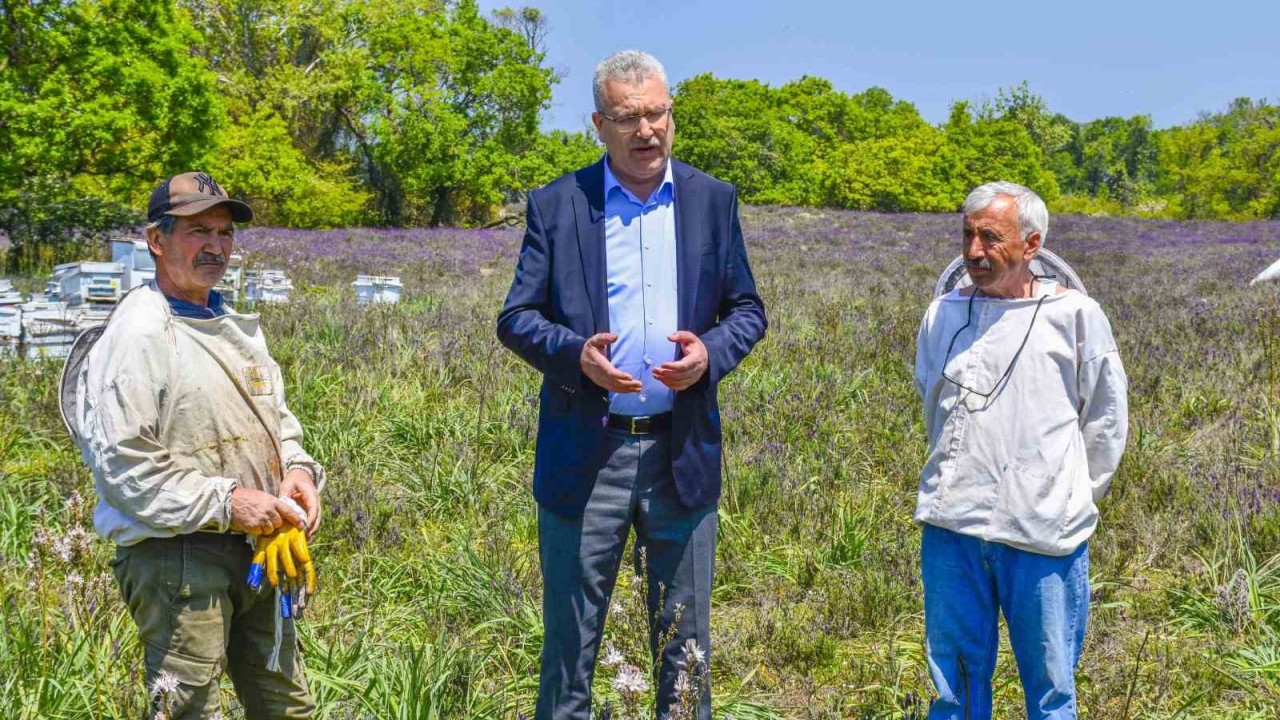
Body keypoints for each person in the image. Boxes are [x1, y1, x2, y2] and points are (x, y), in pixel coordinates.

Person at [496, 49, 767, 720]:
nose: (646, 131)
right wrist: (576, 357)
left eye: (657, 114)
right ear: (599, 124)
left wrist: (708, 353)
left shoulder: (712, 200)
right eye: (627, 118)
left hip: (681, 452)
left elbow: (747, 310)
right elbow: (516, 317)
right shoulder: (559, 205)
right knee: (570, 648)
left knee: (686, 648)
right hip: (589, 456)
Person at [74, 172, 325, 719]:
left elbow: (277, 420)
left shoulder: (234, 324)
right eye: (197, 231)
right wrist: (229, 502)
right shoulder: (139, 333)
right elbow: (125, 463)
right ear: (156, 240)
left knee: (286, 705)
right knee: (188, 709)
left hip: (260, 545)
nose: (215, 246)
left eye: (224, 232)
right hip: (178, 553)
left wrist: (298, 471)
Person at [912, 181, 1129, 719]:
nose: (974, 251)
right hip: (952, 525)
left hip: (1042, 534)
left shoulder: (1076, 316)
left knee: (1051, 688)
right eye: (968, 235)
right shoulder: (942, 314)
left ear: (1032, 244)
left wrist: (1066, 495)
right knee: (954, 685)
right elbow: (932, 403)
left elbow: (1105, 421)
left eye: (991, 237)